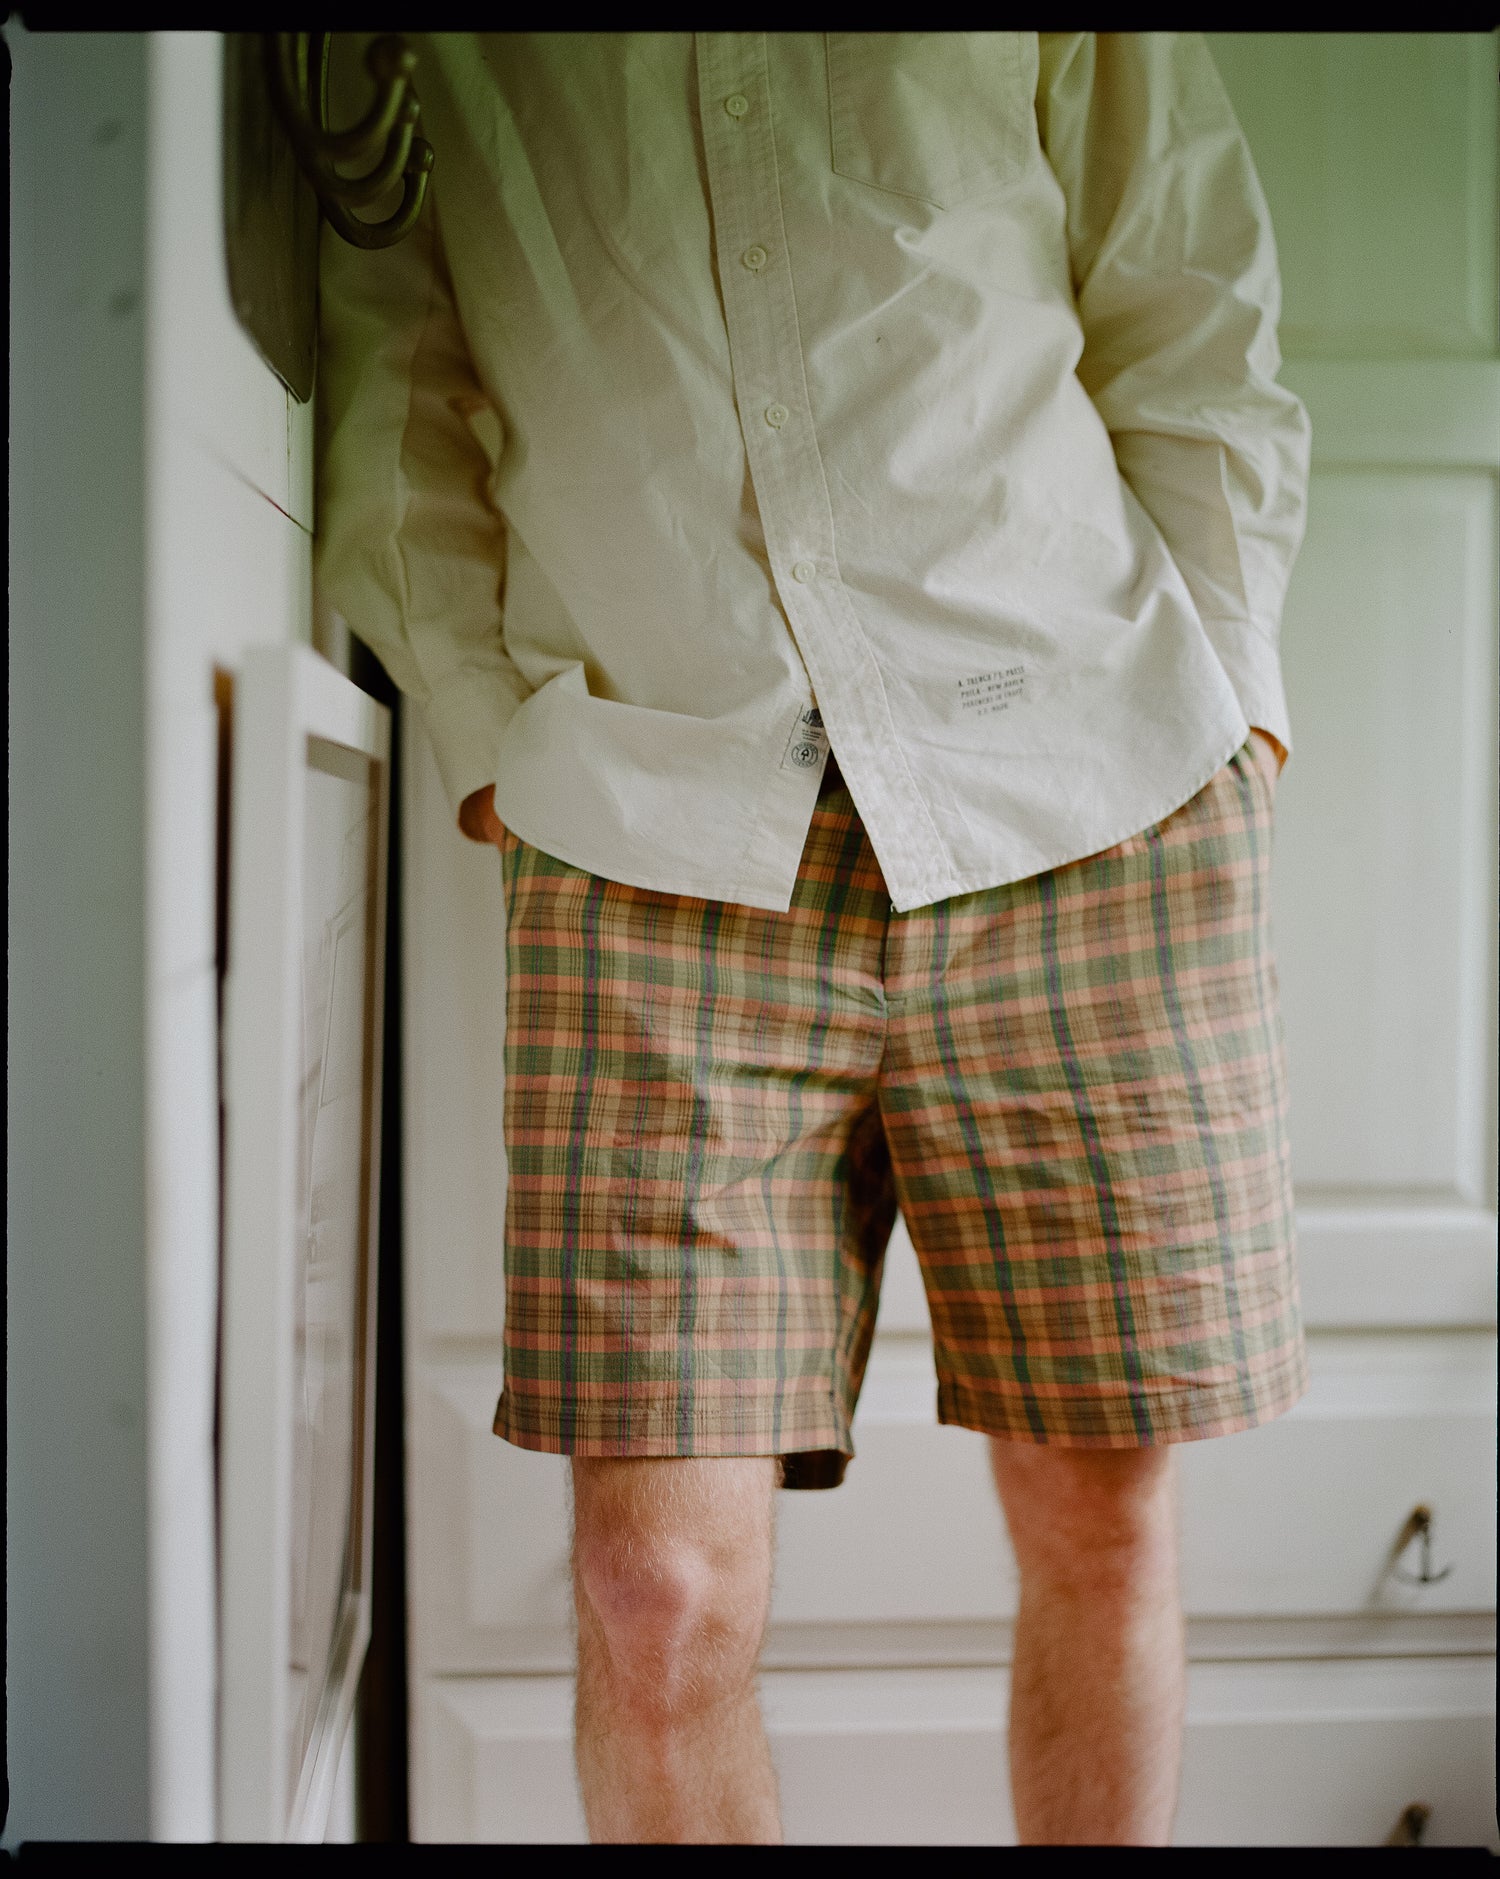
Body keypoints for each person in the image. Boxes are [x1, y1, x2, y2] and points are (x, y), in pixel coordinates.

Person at [317, 32, 1311, 1846]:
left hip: (1087, 790)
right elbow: (389, 340)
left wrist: (1234, 694)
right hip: (657, 823)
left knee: (1097, 1515)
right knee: (656, 1591)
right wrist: (483, 732)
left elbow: (1185, 278)